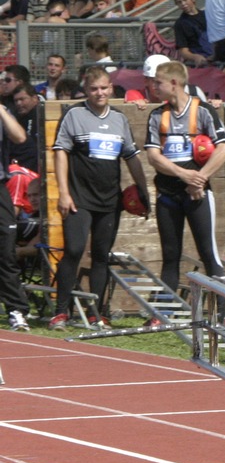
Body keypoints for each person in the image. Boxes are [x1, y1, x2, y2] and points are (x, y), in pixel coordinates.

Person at [49, 66, 150, 330]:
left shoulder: (119, 119)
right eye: (94, 89)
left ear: (111, 88)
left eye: (104, 88)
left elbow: (131, 157)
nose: (99, 93)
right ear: (86, 90)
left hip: (109, 202)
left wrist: (143, 190)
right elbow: (60, 152)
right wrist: (63, 193)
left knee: (101, 256)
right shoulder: (74, 115)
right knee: (73, 249)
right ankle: (61, 312)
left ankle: (96, 312)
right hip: (79, 199)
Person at [144, 60, 225, 293]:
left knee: (208, 252)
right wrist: (185, 175)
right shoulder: (156, 115)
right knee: (170, 254)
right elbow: (154, 157)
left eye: (158, 82)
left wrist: (199, 179)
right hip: (168, 194)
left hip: (198, 195)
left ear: (174, 83)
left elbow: (224, 148)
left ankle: (222, 311)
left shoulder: (203, 111)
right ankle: (163, 312)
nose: (154, 86)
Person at [0, 97, 29, 331]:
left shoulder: (3, 112)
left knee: (6, 251)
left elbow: (20, 137)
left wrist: (1, 110)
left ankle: (16, 310)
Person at [172, 0, 212, 67]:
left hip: (216, 58)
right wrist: (195, 57)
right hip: (201, 64)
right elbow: (183, 50)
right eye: (179, 2)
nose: (183, 4)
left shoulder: (208, 15)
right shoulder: (180, 23)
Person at [8, 82, 39, 173]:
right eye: (16, 100)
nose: (18, 103)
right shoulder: (16, 117)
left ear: (34, 98)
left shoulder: (39, 115)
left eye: (22, 99)